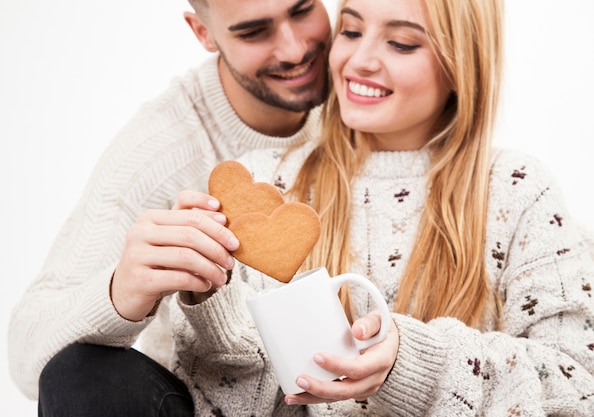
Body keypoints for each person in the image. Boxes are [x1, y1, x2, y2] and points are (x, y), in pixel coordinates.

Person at [161, 0, 594, 414]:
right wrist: (213, 304)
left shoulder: (517, 190)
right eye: (350, 31)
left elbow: (578, 387)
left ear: (462, 62)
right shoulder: (263, 186)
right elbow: (217, 404)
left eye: (402, 43)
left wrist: (414, 363)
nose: (358, 60)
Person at [8, 0, 332, 415]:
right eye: (254, 32)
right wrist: (120, 293)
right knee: (78, 372)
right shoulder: (159, 149)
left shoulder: (371, 82)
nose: (293, 49)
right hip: (209, 403)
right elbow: (24, 359)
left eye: (303, 9)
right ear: (203, 33)